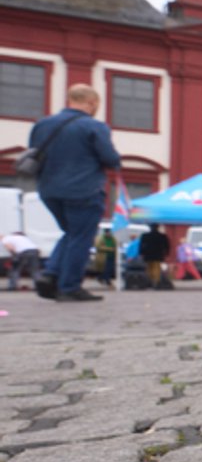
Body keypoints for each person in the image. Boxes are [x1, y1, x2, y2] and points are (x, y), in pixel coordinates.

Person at [26, 84, 120, 302]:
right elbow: (110, 158)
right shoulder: (94, 126)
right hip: (83, 190)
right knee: (81, 237)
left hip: (49, 190)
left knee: (70, 233)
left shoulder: (42, 125)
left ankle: (50, 275)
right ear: (92, 102)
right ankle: (69, 287)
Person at [138, 223, 172, 288]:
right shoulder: (162, 236)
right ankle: (155, 281)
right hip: (157, 254)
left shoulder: (145, 235)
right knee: (156, 268)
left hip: (148, 254)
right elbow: (167, 246)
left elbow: (141, 246)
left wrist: (141, 253)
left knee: (149, 268)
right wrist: (167, 253)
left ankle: (150, 281)